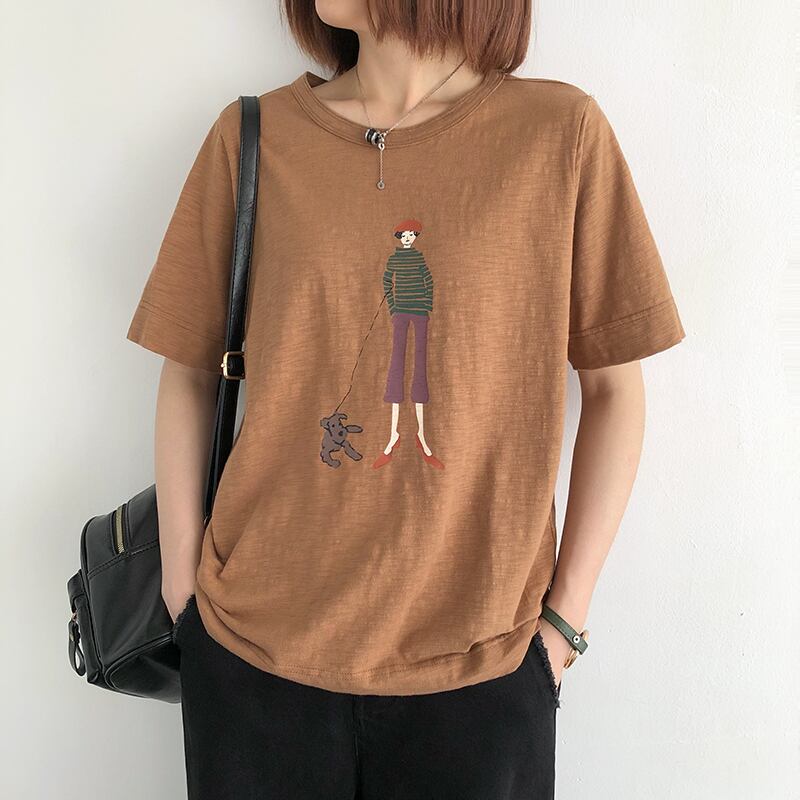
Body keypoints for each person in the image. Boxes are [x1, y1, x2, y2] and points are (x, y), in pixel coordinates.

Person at [126, 1, 686, 797]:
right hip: (251, 659)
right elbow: (189, 369)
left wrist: (563, 624)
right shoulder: (254, 137)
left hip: (483, 670)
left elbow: (614, 387)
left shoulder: (559, 135)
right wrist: (184, 593)